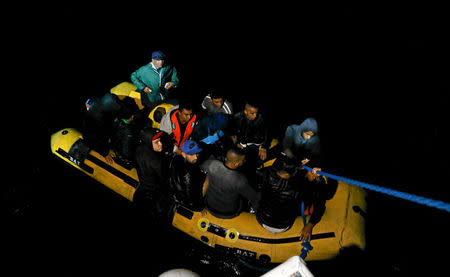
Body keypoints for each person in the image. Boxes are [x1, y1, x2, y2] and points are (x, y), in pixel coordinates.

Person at [256, 154, 337, 240]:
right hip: (284, 225)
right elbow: (324, 198)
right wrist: (318, 180)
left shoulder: (267, 173)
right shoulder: (301, 188)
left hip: (262, 219)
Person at [201, 148, 261, 219]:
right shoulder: (240, 179)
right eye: (243, 160)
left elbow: (202, 167)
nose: (244, 161)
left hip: (209, 206)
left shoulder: (212, 164)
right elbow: (254, 198)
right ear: (236, 164)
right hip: (227, 213)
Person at [134, 127, 173, 221]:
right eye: (156, 142)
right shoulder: (157, 161)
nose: (160, 144)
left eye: (160, 141)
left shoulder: (138, 149)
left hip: (144, 184)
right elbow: (164, 179)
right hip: (155, 190)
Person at [168, 140, 208, 211]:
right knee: (208, 179)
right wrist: (200, 207)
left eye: (197, 153)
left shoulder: (175, 159)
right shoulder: (192, 172)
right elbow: (192, 195)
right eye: (192, 154)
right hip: (189, 203)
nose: (196, 157)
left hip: (175, 196)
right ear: (183, 154)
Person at [105, 97, 140, 167]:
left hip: (114, 147)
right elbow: (127, 153)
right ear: (132, 116)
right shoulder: (129, 133)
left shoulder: (115, 119)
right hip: (123, 157)